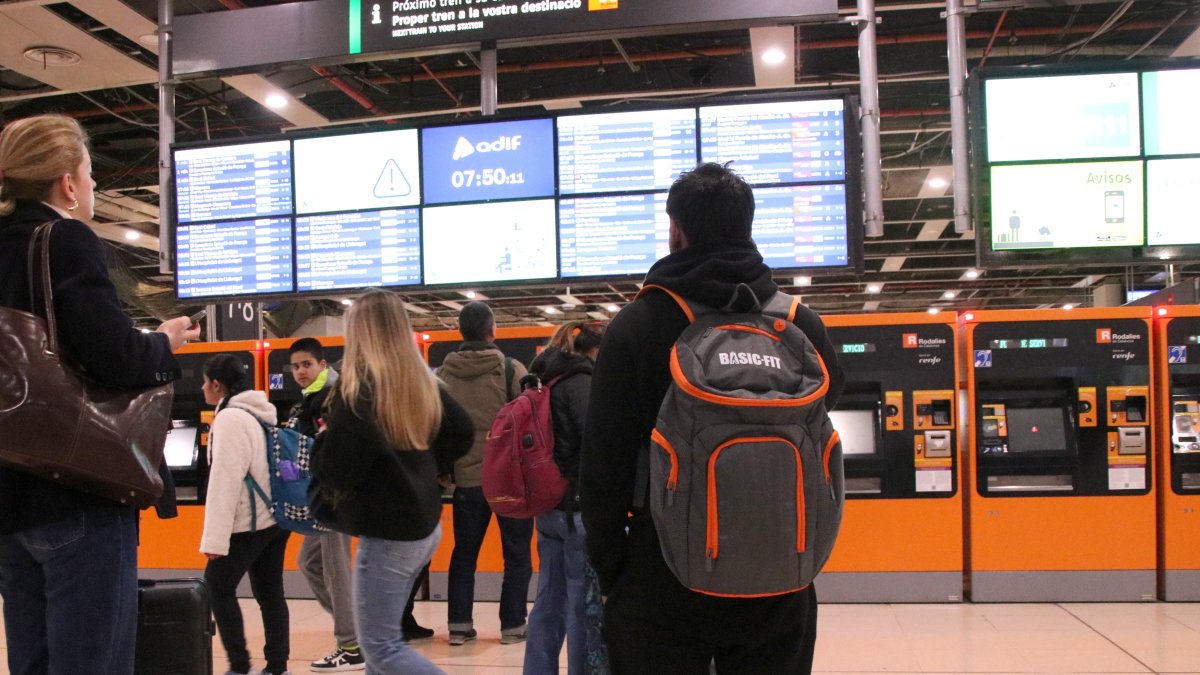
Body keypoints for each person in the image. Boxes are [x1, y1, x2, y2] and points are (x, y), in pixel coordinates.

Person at [580, 162, 845, 674]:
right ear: (748, 227)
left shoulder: (639, 324)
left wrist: (614, 571)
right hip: (780, 570)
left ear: (676, 230)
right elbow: (826, 411)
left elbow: (603, 466)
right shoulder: (798, 323)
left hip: (663, 571)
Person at [0, 114, 198, 674]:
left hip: (10, 499)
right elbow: (115, 356)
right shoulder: (63, 239)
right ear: (67, 183)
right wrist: (162, 343)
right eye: (89, 174)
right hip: (78, 489)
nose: (91, 185)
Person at [310, 289, 474, 674]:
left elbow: (338, 471)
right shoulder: (421, 382)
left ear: (358, 332)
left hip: (389, 535)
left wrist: (322, 442)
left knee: (381, 649)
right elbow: (462, 431)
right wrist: (428, 467)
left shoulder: (358, 390)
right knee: (382, 652)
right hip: (423, 525)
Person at [439, 301, 533, 646]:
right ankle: (513, 626)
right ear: (493, 330)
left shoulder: (443, 375)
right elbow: (530, 422)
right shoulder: (511, 370)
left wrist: (445, 470)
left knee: (464, 555)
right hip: (508, 480)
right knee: (517, 555)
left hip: (466, 481)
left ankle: (459, 626)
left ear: (460, 331)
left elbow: (438, 427)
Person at [200, 354, 292, 675]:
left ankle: (240, 666)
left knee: (217, 587)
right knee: (270, 592)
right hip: (274, 518)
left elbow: (225, 480)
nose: (202, 388)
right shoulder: (258, 412)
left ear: (216, 384)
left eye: (204, 382)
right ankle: (277, 667)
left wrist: (215, 539)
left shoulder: (230, 419)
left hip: (248, 523)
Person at [523, 320, 605, 675]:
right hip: (576, 508)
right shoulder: (581, 382)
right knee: (579, 606)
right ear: (593, 350)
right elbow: (596, 443)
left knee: (547, 602)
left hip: (548, 508)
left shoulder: (541, 379)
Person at [285, 338, 366, 671]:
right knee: (309, 562)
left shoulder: (330, 397)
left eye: (307, 364)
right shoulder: (311, 399)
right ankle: (357, 629)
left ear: (322, 364)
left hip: (336, 497)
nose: (300, 371)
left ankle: (351, 645)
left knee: (336, 571)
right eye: (295, 366)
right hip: (323, 495)